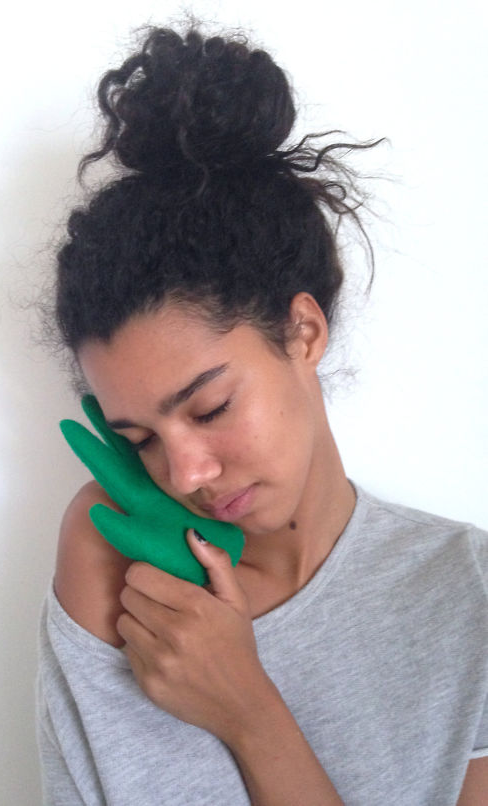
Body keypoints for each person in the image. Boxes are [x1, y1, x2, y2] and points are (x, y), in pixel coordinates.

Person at [36, 26, 488, 806]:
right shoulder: (119, 561)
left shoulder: (466, 592)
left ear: (303, 331)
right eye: (138, 438)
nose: (186, 474)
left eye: (209, 407)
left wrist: (248, 712)